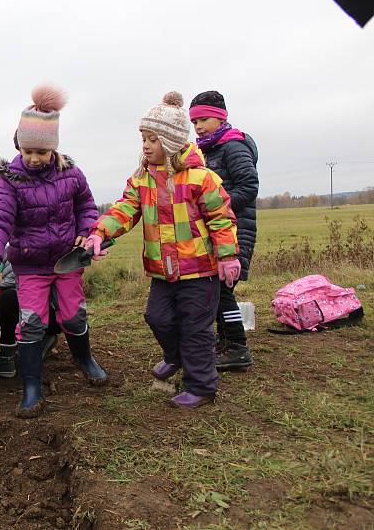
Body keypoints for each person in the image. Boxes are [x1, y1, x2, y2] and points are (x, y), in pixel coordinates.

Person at [89, 92, 239, 409]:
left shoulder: (201, 178)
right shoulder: (142, 178)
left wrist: (227, 255)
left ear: (170, 142)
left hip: (200, 270)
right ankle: (175, 356)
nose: (145, 145)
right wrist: (101, 231)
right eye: (143, 138)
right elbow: (124, 210)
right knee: (157, 317)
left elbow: (221, 218)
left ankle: (201, 387)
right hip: (163, 271)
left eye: (153, 139)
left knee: (196, 329)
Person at [0, 84, 106, 419]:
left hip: (66, 262)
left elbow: (87, 208)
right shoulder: (10, 179)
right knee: (32, 322)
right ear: (18, 143)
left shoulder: (71, 174)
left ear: (53, 149)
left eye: (41, 152)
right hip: (31, 265)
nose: (34, 158)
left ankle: (85, 360)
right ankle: (32, 387)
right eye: (28, 150)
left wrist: (84, 232)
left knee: (73, 315)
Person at [190, 91, 259, 371]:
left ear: (220, 117)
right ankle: (225, 341)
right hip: (219, 228)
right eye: (194, 122)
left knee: (223, 289)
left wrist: (214, 205)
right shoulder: (209, 148)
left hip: (236, 228)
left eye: (204, 119)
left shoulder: (233, 147)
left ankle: (237, 347)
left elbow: (249, 187)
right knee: (217, 289)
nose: (198, 126)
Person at [0, 209, 60, 378]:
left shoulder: (19, 261)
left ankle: (7, 357)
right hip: (26, 316)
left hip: (46, 316)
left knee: (8, 299)